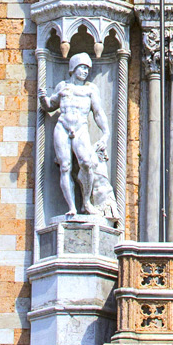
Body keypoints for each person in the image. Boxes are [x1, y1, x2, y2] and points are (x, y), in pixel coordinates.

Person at [41, 55, 118, 224]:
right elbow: (50, 106)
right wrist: (42, 98)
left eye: (88, 69)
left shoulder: (90, 90)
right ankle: (71, 207)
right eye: (82, 67)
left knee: (87, 163)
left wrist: (105, 134)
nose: (85, 71)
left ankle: (86, 202)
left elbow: (98, 114)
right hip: (62, 127)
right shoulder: (63, 86)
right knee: (65, 166)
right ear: (74, 68)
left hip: (81, 128)